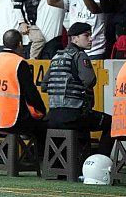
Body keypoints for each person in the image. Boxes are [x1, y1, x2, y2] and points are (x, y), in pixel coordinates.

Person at [42, 22, 112, 156]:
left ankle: (61, 167)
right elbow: (90, 80)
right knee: (111, 123)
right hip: (74, 117)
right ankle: (101, 163)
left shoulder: (56, 57)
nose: (91, 38)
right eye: (87, 35)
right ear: (74, 39)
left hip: (52, 118)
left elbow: (44, 86)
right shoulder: (80, 56)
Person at [0, 29, 47, 149]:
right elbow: (31, 93)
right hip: (14, 120)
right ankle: (40, 161)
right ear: (20, 44)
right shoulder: (19, 63)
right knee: (45, 126)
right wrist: (43, 111)